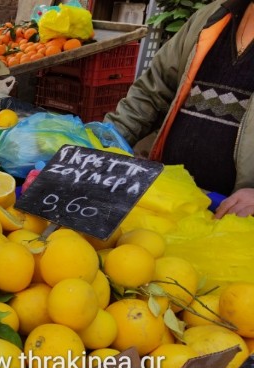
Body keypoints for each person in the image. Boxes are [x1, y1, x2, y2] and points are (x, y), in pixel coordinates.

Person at [105, 0, 254, 218]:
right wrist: (106, 139)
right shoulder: (212, 16)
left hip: (232, 220)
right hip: (168, 200)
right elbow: (153, 90)